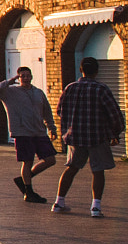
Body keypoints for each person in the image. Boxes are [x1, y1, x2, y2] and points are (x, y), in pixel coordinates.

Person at [51, 55, 123, 218]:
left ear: (81, 70)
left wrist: (69, 126)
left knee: (72, 168)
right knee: (98, 170)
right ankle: (95, 207)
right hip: (97, 136)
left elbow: (60, 110)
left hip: (75, 137)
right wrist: (116, 133)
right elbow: (114, 114)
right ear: (97, 71)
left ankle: (59, 202)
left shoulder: (70, 88)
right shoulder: (101, 89)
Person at [0, 65, 56, 203]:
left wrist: (52, 128)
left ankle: (23, 179)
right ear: (18, 77)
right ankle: (28, 192)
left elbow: (47, 111)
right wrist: (9, 81)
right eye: (22, 76)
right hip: (22, 132)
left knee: (50, 160)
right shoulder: (10, 92)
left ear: (32, 77)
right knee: (27, 161)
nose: (26, 78)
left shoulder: (38, 93)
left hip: (39, 132)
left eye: (28, 76)